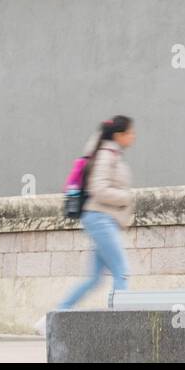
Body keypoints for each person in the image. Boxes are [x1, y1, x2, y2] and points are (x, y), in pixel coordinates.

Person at [52, 116, 136, 316]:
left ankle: (54, 317)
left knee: (94, 278)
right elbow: (97, 188)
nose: (133, 137)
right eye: (130, 133)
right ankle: (120, 321)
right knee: (121, 271)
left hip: (102, 219)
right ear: (119, 135)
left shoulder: (109, 154)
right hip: (100, 218)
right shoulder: (107, 155)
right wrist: (126, 197)